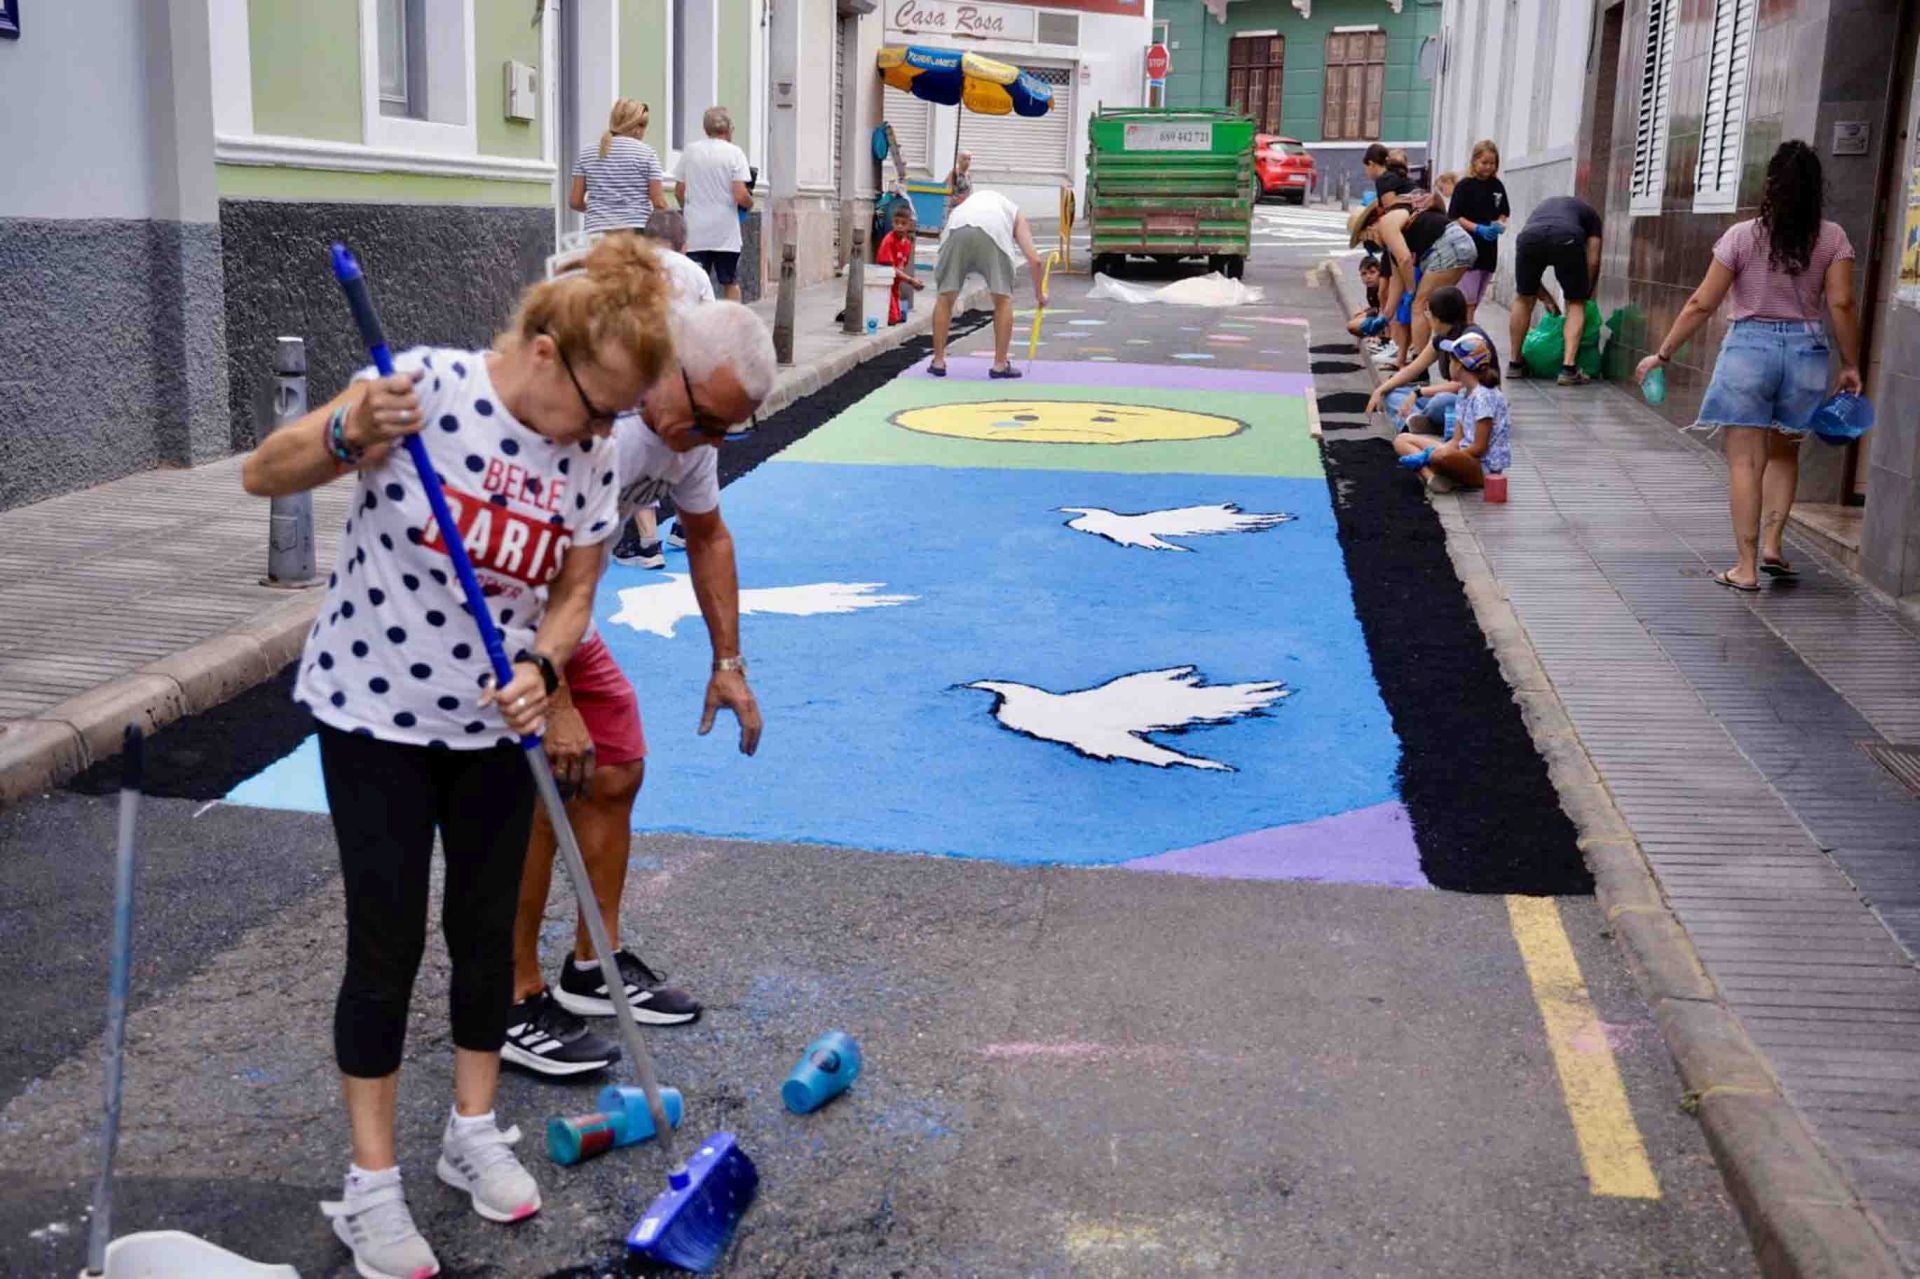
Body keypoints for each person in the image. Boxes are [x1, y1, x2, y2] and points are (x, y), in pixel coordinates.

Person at [240, 235, 674, 1279]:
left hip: (495, 727)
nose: (607, 430)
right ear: (540, 350)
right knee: (383, 945)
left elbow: (574, 587)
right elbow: (266, 471)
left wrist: (544, 661)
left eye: (621, 415)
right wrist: (350, 429)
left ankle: (471, 1132)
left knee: (485, 937)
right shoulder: (422, 389)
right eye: (600, 403)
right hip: (374, 717)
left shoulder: (590, 455)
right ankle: (372, 1188)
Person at [506, 302, 775, 1077]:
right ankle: (511, 998)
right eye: (707, 421)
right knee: (537, 788)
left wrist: (729, 662)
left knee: (616, 758)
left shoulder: (691, 428)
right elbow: (526, 565)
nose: (712, 443)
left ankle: (592, 963)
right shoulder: (599, 425)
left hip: (562, 608)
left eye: (730, 430)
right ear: (666, 372)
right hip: (490, 609)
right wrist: (552, 703)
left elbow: (709, 534)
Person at [1635, 140, 1862, 592]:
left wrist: (1663, 353)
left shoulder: (1743, 236)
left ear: (1772, 186)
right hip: (1807, 353)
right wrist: (1852, 364)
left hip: (1749, 352)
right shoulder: (1833, 238)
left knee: (1745, 463)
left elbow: (1702, 302)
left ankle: (1746, 566)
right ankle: (1775, 545)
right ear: (1816, 189)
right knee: (1784, 453)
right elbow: (1841, 302)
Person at [607, 208, 716, 572]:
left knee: (642, 448)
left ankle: (647, 544)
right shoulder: (697, 273)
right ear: (684, 244)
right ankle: (684, 529)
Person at [928, 187, 1048, 379]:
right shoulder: (1015, 213)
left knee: (945, 297)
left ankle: (938, 361)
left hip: (956, 230)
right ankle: (1000, 365)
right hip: (994, 233)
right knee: (1002, 300)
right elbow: (1035, 260)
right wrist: (1040, 295)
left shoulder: (967, 206)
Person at [1373, 172, 1477, 371]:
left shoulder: (1387, 222)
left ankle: (1419, 369)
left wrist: (1412, 290)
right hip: (1460, 242)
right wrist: (1385, 317)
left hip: (1447, 245)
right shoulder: (1397, 226)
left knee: (1419, 305)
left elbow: (1404, 260)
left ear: (1372, 224)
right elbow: (1397, 280)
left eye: (1367, 236)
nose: (1371, 242)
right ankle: (1459, 358)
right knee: (1439, 307)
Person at [1393, 330, 1509, 492]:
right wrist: (1442, 450)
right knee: (1402, 439)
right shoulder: (1463, 393)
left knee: (1439, 456)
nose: (1448, 364)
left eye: (1451, 360)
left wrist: (1433, 454)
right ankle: (1432, 477)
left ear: (1460, 365)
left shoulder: (1484, 397)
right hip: (1461, 454)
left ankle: (1436, 469)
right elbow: (1457, 440)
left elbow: (1479, 448)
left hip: (1482, 468)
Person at [1508, 193, 1604, 386]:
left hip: (1530, 238)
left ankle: (1515, 363)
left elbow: (1530, 281)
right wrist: (1584, 292)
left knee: (1523, 297)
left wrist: (1545, 299)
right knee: (1576, 303)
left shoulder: (1542, 208)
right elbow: (1593, 260)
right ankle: (1568, 368)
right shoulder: (1591, 215)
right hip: (1567, 237)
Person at [1365, 285, 1486, 434]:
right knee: (1392, 393)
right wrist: (1380, 390)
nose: (1426, 316)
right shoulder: (1441, 337)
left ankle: (1418, 423)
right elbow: (1413, 368)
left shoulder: (1469, 341)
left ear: (1438, 317)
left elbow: (1460, 386)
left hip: (1475, 401)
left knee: (1439, 402)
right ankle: (1415, 422)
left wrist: (1419, 392)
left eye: (1428, 312)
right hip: (1455, 397)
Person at [675, 107, 754, 301]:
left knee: (693, 281)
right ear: (729, 129)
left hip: (696, 231)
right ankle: (732, 325)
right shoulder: (735, 153)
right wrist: (749, 203)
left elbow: (679, 190)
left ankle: (694, 322)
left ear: (705, 128)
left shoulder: (690, 151)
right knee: (730, 281)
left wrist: (689, 209)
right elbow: (739, 194)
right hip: (725, 232)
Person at [570, 100, 667, 235]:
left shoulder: (587, 152)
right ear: (638, 126)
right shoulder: (647, 154)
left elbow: (575, 201)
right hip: (635, 230)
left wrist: (598, 212)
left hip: (596, 230)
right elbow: (658, 202)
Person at [1447, 140, 1509, 324]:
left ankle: (1468, 325)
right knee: (1468, 296)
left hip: (1489, 248)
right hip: (1468, 246)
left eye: (1492, 163)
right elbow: (1456, 216)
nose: (1488, 167)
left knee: (1479, 292)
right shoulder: (1464, 186)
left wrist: (1499, 224)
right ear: (1474, 162)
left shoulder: (1497, 186)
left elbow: (1504, 211)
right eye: (1484, 162)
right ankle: (1468, 327)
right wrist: (1478, 228)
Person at [876, 202, 924, 325]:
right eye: (896, 223)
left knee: (898, 317)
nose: (899, 226)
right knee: (892, 318)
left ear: (909, 225)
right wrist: (911, 280)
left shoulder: (907, 244)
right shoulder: (889, 241)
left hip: (895, 285)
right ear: (892, 223)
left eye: (903, 223)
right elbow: (890, 269)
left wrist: (910, 280)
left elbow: (901, 267)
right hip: (884, 283)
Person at [1346, 256, 1385, 340]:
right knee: (1356, 317)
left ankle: (1379, 337)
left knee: (1352, 325)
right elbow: (1376, 305)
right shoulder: (1370, 288)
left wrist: (1367, 314)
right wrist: (1365, 311)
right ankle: (1374, 336)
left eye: (1372, 272)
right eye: (1364, 274)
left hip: (1387, 319)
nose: (1368, 277)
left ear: (1380, 273)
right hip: (1380, 315)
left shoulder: (1383, 288)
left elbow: (1383, 308)